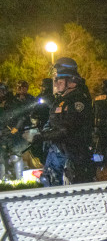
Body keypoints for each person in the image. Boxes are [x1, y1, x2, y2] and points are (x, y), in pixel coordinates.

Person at [32, 57, 94, 186]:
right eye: (55, 80)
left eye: (59, 81)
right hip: (57, 150)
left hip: (72, 153)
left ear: (72, 82)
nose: (56, 84)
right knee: (49, 182)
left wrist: (41, 136)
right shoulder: (61, 99)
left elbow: (65, 129)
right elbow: (52, 122)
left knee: (70, 188)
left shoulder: (77, 101)